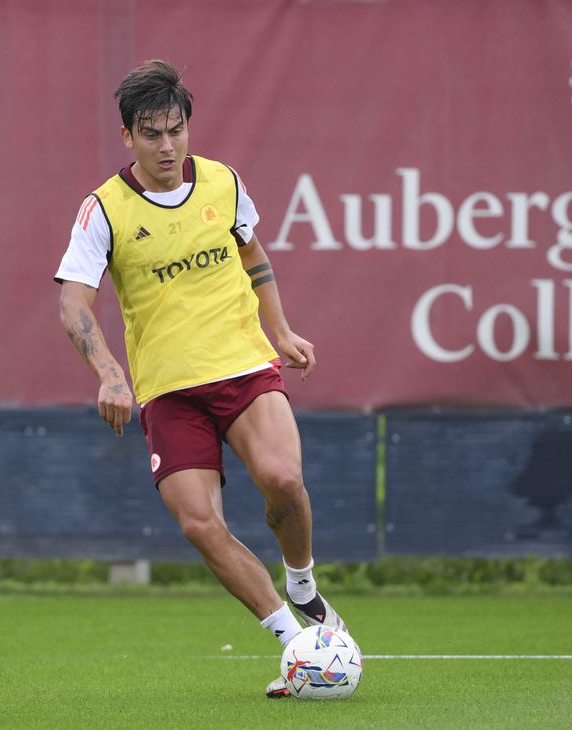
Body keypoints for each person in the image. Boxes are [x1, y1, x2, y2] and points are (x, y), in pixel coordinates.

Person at [54, 60, 346, 699]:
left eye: (177, 130)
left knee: (283, 480)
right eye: (152, 133)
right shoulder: (103, 209)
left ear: (189, 128)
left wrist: (283, 331)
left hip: (243, 368)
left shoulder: (224, 183)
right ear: (127, 135)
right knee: (198, 523)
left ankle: (303, 582)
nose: (167, 146)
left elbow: (253, 255)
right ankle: (292, 641)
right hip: (168, 391)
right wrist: (109, 374)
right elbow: (73, 303)